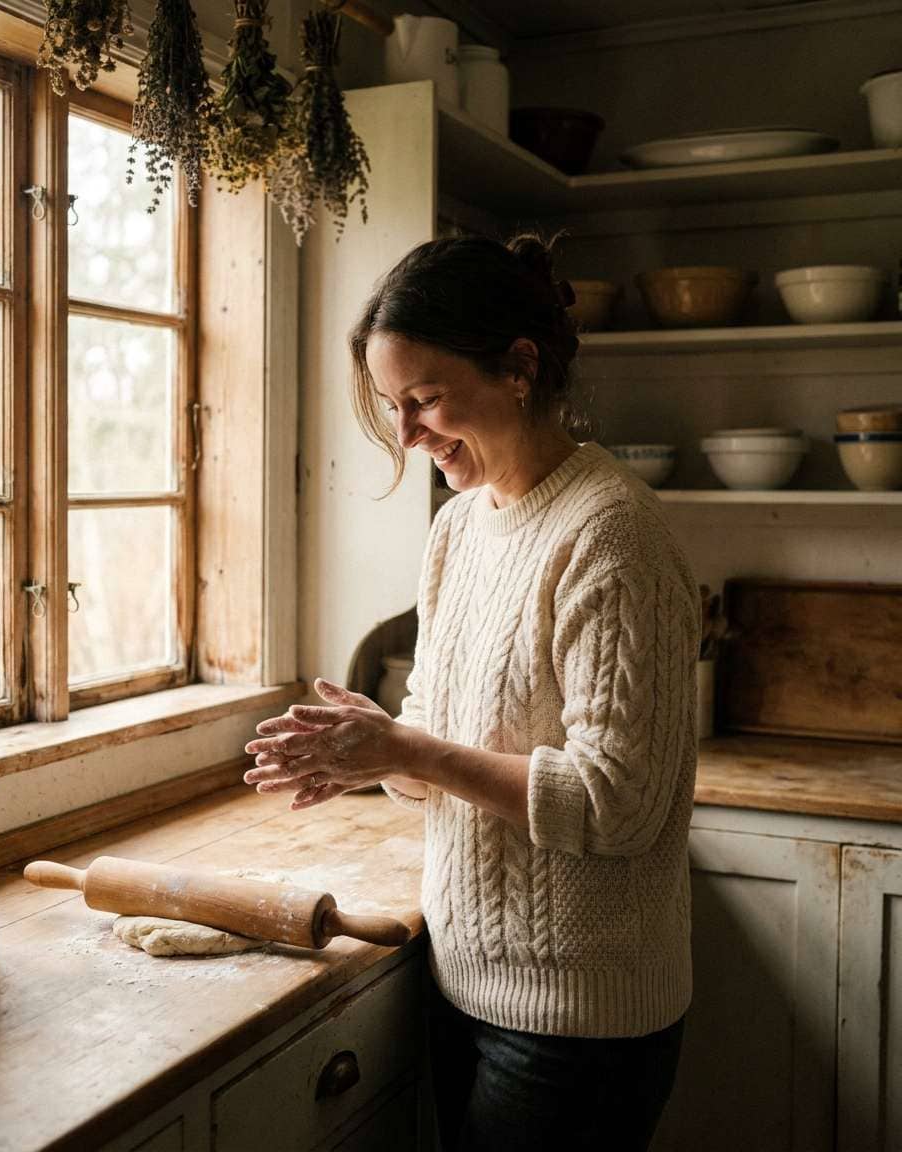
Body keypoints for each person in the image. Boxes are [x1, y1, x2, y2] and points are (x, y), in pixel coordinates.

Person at [243, 234, 701, 1151]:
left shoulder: (612, 535)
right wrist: (373, 746)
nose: (409, 435)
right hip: (460, 981)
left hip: (580, 1018)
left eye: (425, 399)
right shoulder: (457, 530)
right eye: (392, 407)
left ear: (519, 367)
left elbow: (619, 806)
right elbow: (433, 746)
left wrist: (408, 752)